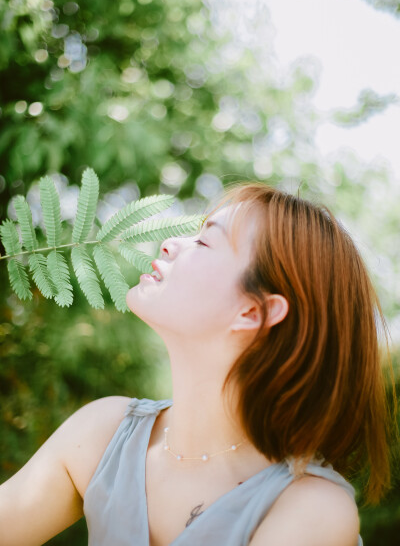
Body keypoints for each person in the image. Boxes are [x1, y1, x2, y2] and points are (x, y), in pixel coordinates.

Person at [0, 182, 394, 546]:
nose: (170, 243)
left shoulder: (311, 511)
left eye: (204, 242)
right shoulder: (102, 434)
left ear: (252, 312)